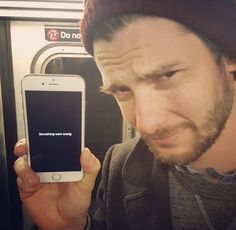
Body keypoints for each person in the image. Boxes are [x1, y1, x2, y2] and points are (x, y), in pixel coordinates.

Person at [14, 0, 236, 229]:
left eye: (168, 75)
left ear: (230, 57)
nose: (147, 124)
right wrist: (67, 225)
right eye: (121, 90)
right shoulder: (120, 166)